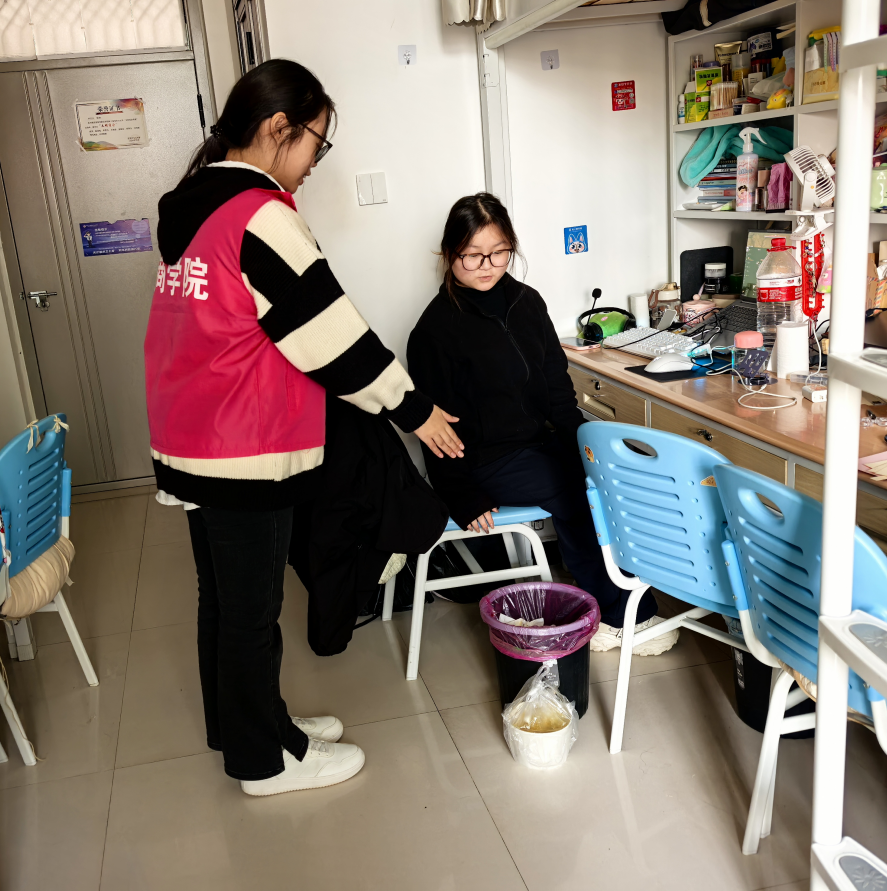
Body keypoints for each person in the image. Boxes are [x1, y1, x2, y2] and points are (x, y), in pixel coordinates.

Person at [144, 59, 463, 797]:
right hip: (242, 446)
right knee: (251, 610)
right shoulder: (258, 215)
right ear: (277, 128)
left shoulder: (193, 209)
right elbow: (330, 334)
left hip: (192, 435)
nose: (317, 161)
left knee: (224, 600)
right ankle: (265, 760)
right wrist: (414, 409)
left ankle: (245, 727)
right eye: (317, 142)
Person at [406, 193, 678, 655]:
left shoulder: (526, 302)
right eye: (472, 255)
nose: (486, 266)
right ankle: (619, 618)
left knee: (607, 471)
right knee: (575, 490)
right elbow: (436, 429)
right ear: (449, 254)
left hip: (538, 442)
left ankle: (619, 598)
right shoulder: (435, 331)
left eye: (498, 252)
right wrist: (460, 493)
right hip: (484, 460)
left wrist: (583, 444)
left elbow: (556, 384)